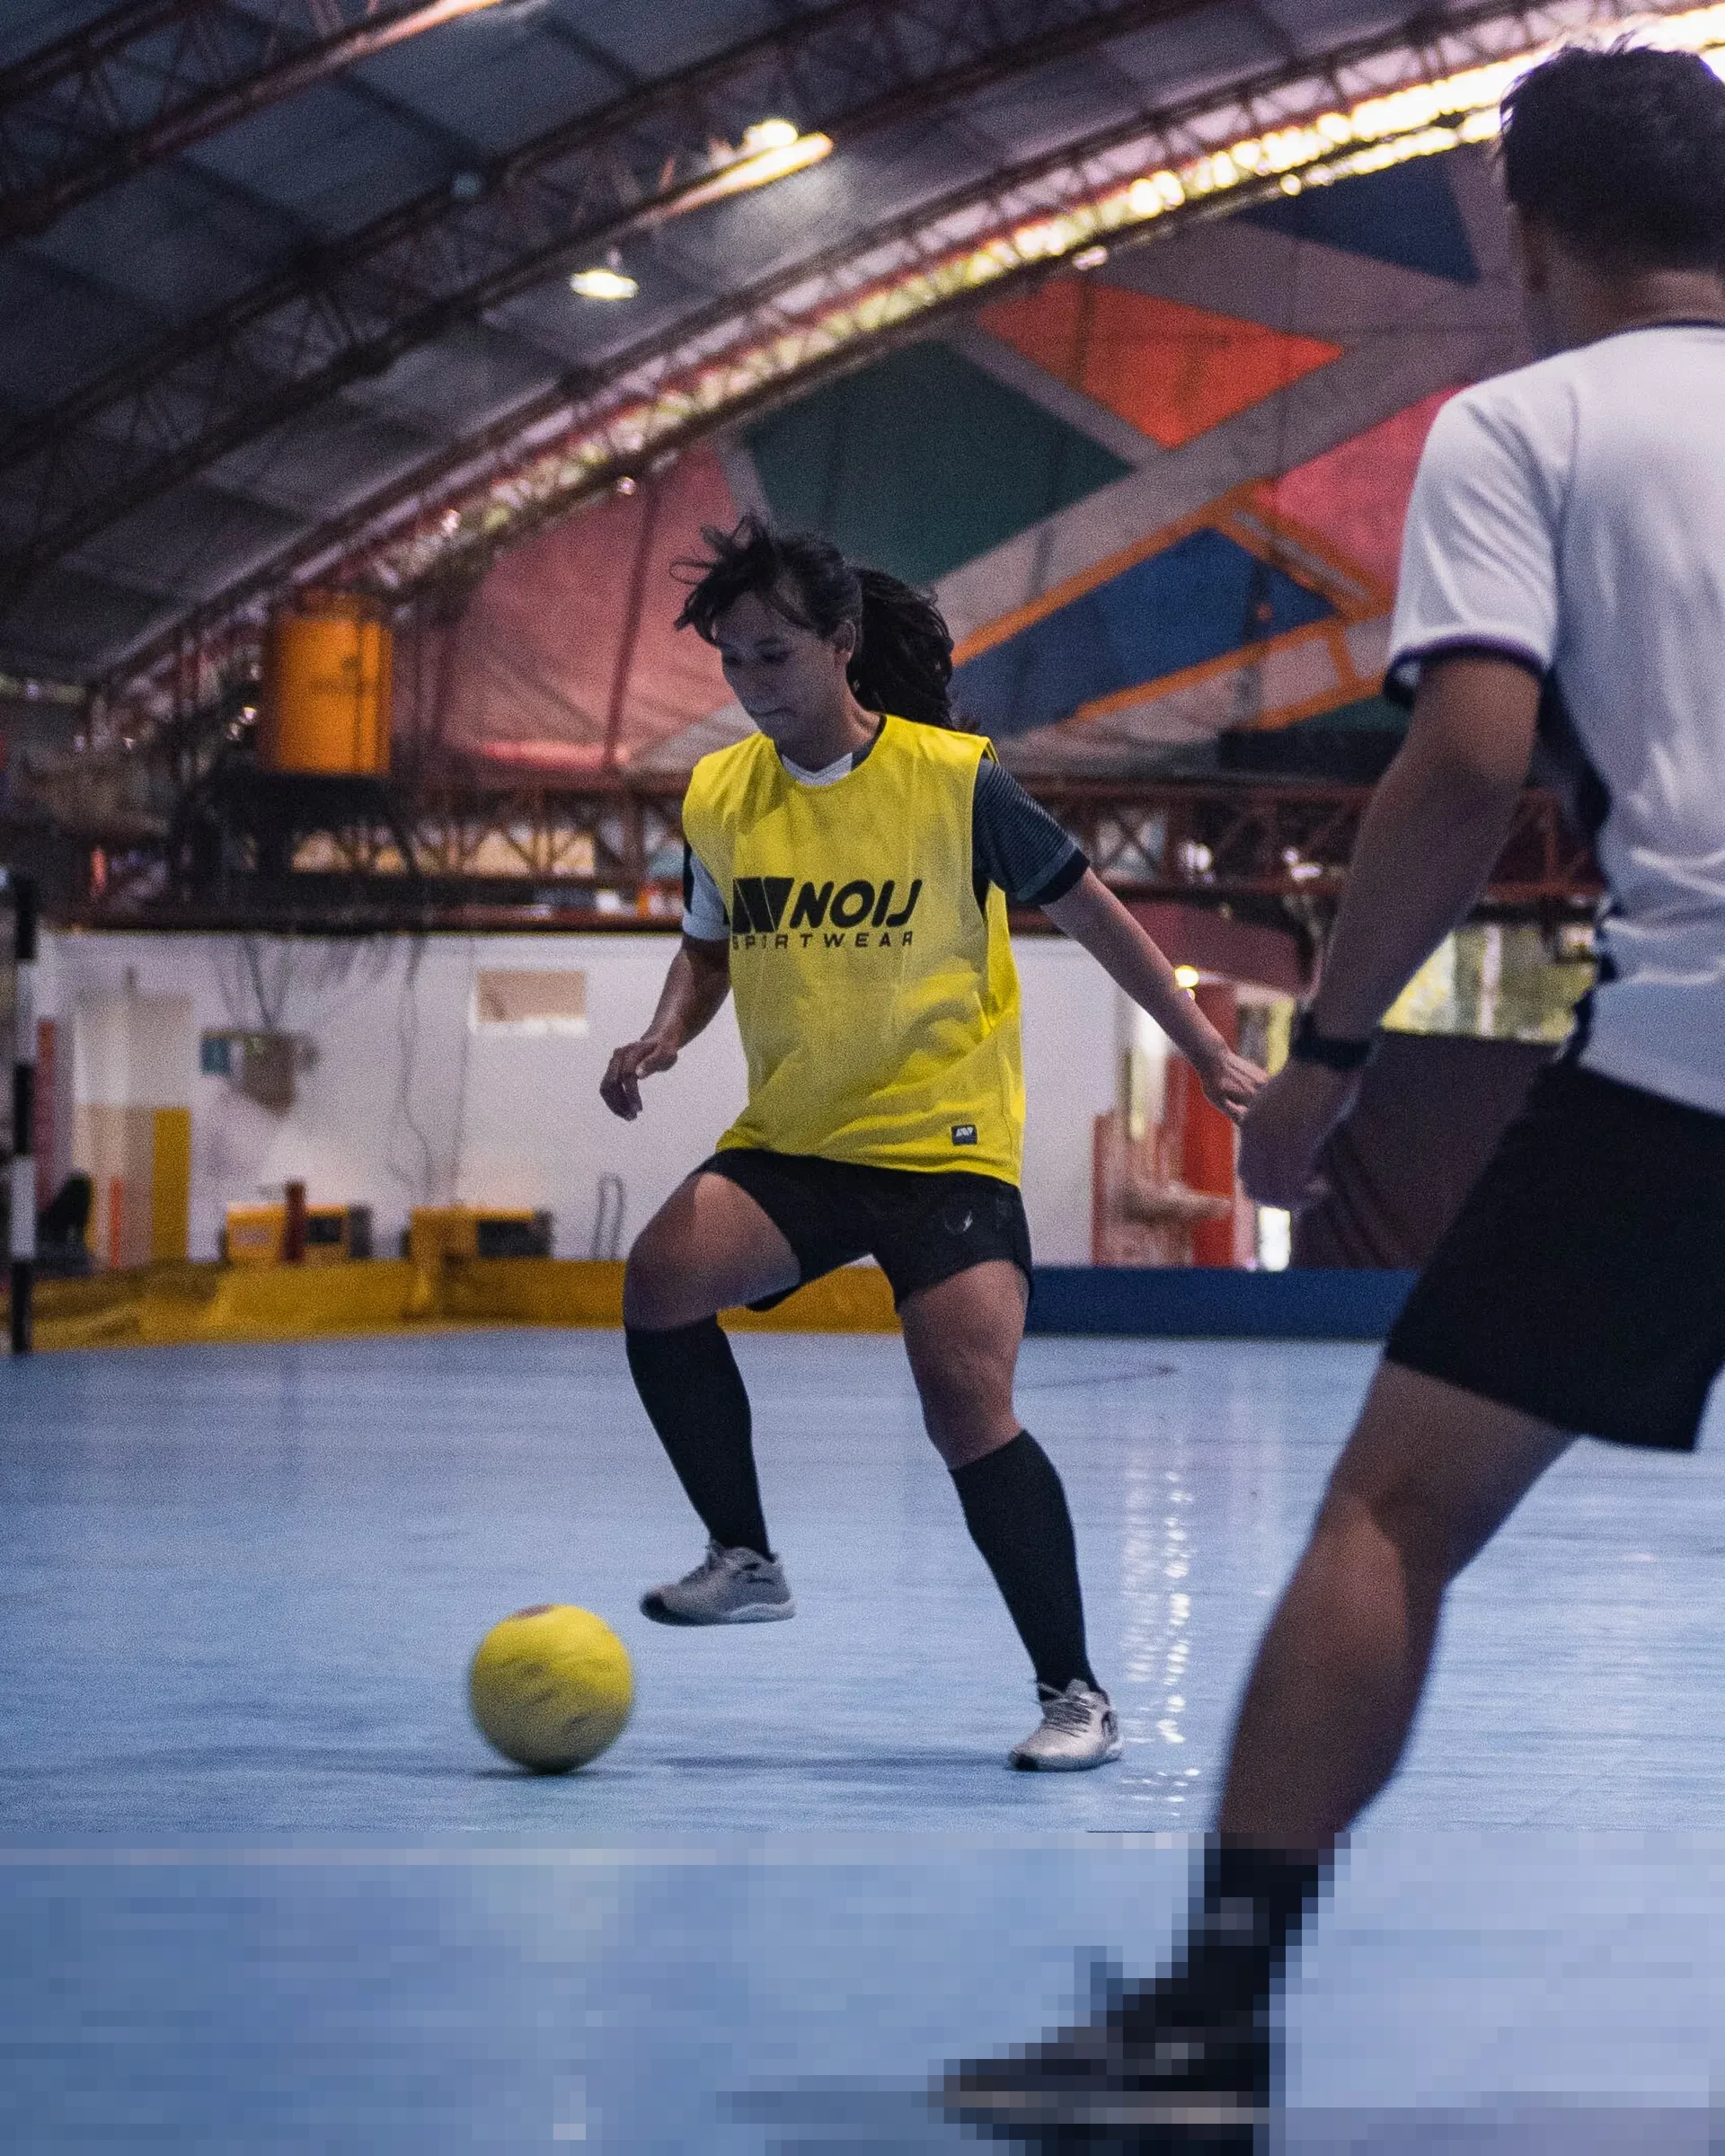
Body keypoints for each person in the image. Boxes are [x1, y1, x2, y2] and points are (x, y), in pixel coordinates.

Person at [941, 35, 1725, 2129]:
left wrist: (1334, 1056)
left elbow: (1472, 758)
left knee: (1393, 1513)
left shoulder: (1525, 425)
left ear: (1527, 230)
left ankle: (1208, 2024)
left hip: (1688, 1072)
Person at [601, 516, 1261, 1772]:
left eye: (777, 656)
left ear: (843, 648)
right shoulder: (718, 794)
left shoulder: (955, 781)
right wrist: (663, 1036)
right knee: (659, 1279)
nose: (753, 686)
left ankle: (1076, 1693)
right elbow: (709, 942)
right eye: (734, 661)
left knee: (967, 1401)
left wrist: (1203, 1048)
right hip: (796, 1137)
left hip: (944, 1144)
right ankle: (745, 1555)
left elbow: (1095, 910)